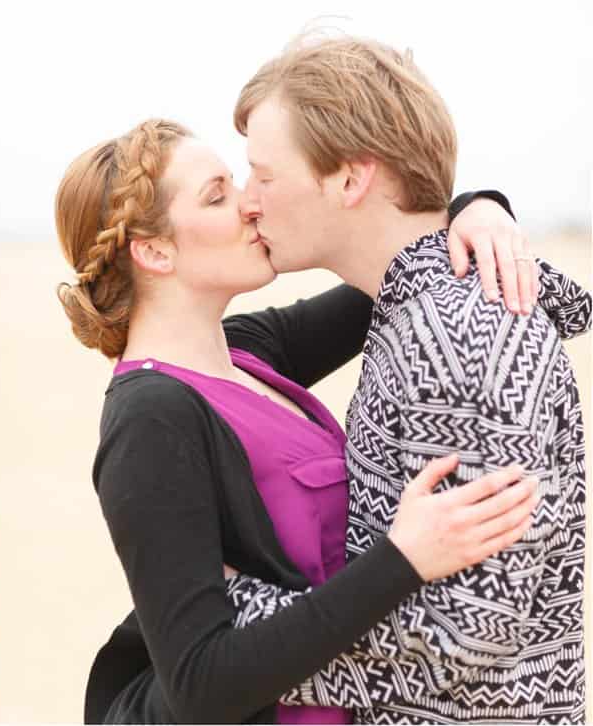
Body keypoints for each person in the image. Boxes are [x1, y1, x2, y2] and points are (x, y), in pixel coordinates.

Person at [54, 119, 585, 723]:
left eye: (244, 182)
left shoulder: (247, 351)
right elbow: (200, 683)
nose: (251, 205)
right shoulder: (149, 420)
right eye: (217, 195)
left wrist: (477, 208)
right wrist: (402, 560)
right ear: (154, 251)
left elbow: (389, 259)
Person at [221, 36, 587, 723]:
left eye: (262, 176)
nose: (248, 202)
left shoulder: (458, 336)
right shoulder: (416, 314)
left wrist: (231, 619)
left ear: (351, 179)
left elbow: (467, 635)